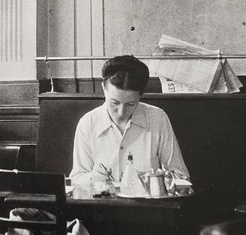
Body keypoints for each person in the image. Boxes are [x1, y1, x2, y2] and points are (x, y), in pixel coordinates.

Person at [70, 55, 190, 198]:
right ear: (103, 88)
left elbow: (181, 177)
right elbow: (76, 180)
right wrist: (93, 178)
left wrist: (154, 180)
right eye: (114, 103)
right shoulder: (88, 123)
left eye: (130, 104)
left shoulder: (157, 118)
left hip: (150, 210)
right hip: (103, 209)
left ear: (140, 96)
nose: (121, 113)